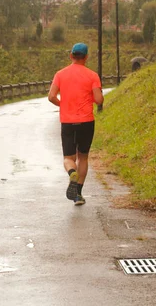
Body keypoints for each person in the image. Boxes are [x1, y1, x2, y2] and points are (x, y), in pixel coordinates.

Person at [48, 43, 104, 206]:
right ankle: (78, 195)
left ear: (71, 56)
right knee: (83, 157)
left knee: (68, 158)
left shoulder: (60, 74)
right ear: (86, 57)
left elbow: (51, 96)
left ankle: (71, 172)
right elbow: (99, 100)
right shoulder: (92, 75)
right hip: (86, 122)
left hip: (67, 122)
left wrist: (63, 105)